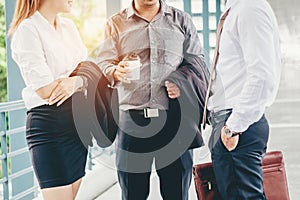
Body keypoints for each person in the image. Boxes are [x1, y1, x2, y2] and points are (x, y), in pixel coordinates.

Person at [97, 0, 207, 199]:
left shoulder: (181, 20)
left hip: (175, 119)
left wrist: (179, 81)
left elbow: (197, 61)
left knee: (176, 193)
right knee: (133, 193)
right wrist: (115, 71)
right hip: (131, 121)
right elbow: (104, 62)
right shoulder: (115, 23)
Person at [9, 0, 88, 199]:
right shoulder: (27, 29)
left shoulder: (68, 27)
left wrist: (76, 81)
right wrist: (81, 81)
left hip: (77, 127)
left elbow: (86, 70)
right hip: (49, 128)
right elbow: (46, 90)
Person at [205, 0, 281, 199]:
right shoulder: (236, 9)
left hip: (237, 126)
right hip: (230, 122)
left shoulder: (250, 8)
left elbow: (262, 75)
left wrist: (234, 126)